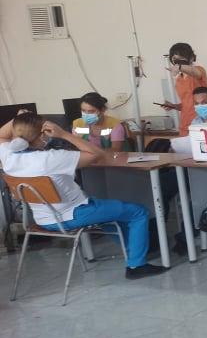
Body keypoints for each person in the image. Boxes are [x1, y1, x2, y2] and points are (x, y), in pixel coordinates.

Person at [0, 112, 168, 279]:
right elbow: (98, 154)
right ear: (43, 134)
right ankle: (136, 265)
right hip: (73, 216)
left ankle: (134, 250)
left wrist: (20, 119)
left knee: (110, 214)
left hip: (43, 220)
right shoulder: (52, 157)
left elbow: (2, 135)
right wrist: (64, 134)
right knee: (138, 212)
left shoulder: (7, 155)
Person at [161, 42, 207, 137]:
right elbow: (187, 104)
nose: (176, 61)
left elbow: (193, 71)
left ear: (191, 58)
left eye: (180, 58)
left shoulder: (199, 70)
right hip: (184, 125)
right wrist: (173, 106)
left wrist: (179, 66)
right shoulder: (179, 80)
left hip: (201, 125)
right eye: (174, 59)